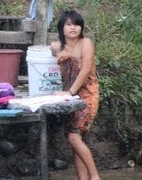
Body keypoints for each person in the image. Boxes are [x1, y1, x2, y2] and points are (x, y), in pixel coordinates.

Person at [50, 10, 101, 180]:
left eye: (77, 24)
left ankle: (94, 177)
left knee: (73, 136)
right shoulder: (56, 46)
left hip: (87, 94)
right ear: (62, 27)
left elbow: (86, 69)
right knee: (76, 141)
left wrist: (70, 92)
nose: (73, 28)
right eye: (69, 24)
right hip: (68, 97)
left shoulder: (86, 43)